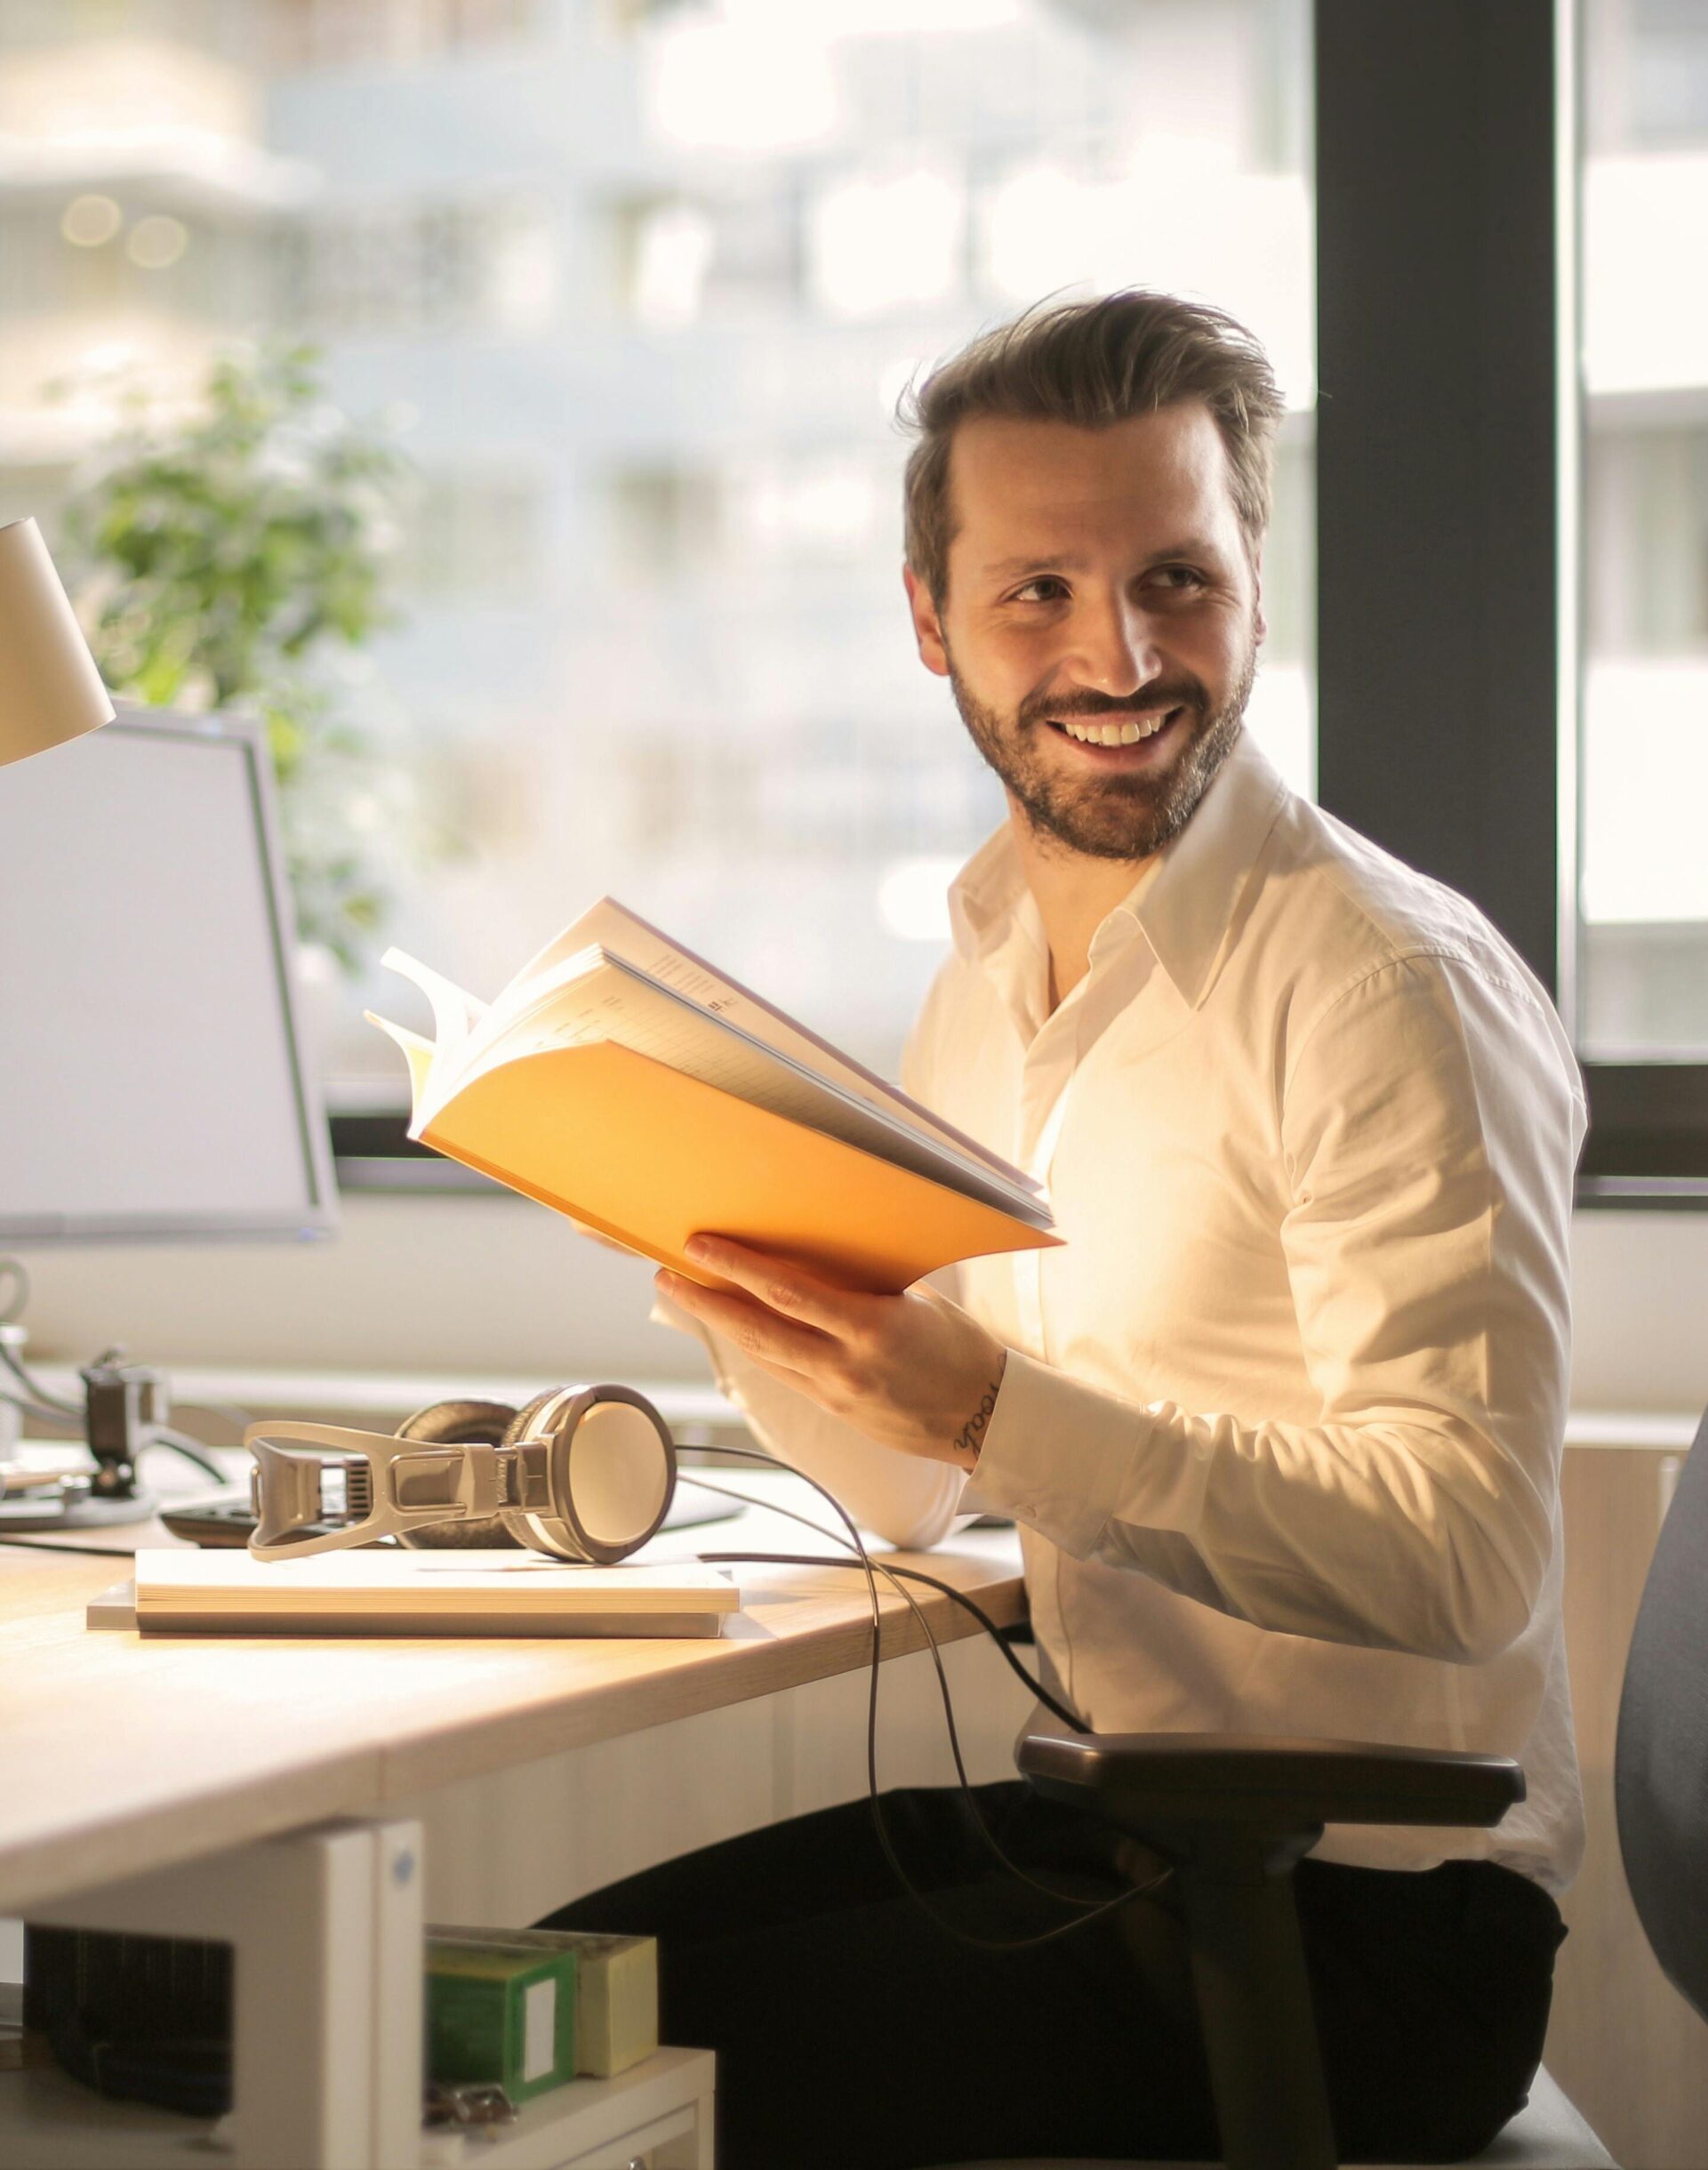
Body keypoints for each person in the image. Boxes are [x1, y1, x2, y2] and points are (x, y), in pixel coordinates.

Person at [546, 291, 1585, 2169]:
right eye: (1038, 591)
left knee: (551, 2082)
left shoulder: (1384, 984)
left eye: (1175, 578)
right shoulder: (985, 972)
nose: (1119, 653)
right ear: (928, 619)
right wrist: (734, 1275)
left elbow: (1465, 1557)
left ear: (1251, 582)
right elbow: (906, 1495)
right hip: (1124, 1832)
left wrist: (988, 1403)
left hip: (1367, 1933)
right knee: (511, 1994)